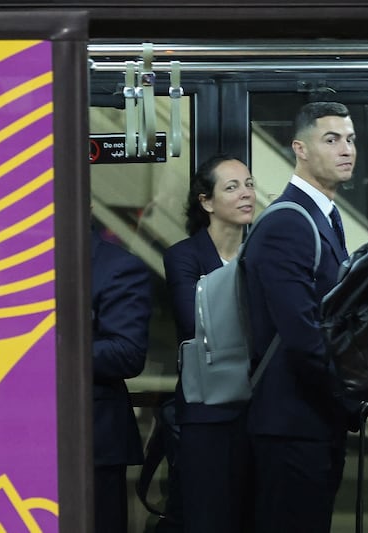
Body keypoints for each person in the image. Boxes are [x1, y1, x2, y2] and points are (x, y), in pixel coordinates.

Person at [241, 101, 359, 533]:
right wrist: (360, 395)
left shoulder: (325, 217)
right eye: (331, 140)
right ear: (300, 149)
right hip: (290, 424)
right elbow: (303, 336)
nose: (346, 149)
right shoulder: (288, 222)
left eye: (350, 139)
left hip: (311, 419)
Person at [162, 154, 256, 533]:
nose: (246, 194)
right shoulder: (184, 256)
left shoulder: (263, 250)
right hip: (206, 413)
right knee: (207, 518)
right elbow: (196, 323)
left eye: (249, 184)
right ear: (206, 202)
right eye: (232, 187)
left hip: (258, 407)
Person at [91, 228, 151, 533]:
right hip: (11, 436)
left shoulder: (117, 266)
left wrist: (46, 348)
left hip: (90, 440)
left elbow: (127, 352)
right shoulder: (12, 265)